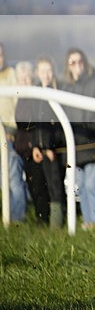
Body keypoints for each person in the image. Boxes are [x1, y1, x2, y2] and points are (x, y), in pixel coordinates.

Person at [61, 48, 95, 231]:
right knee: (81, 186)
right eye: (72, 62)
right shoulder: (66, 88)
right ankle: (86, 222)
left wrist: (89, 130)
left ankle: (94, 222)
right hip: (75, 146)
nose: (77, 66)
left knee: (91, 184)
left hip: (94, 144)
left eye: (80, 61)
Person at [15, 57, 66, 228]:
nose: (46, 74)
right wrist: (37, 146)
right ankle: (42, 224)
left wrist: (51, 146)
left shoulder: (59, 92)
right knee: (38, 187)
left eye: (49, 70)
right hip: (37, 148)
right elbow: (31, 125)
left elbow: (60, 125)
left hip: (54, 149)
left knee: (55, 187)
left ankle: (56, 225)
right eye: (42, 71)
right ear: (38, 73)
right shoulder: (32, 96)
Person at [0, 43, 28, 222]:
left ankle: (17, 218)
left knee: (13, 179)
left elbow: (18, 104)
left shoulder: (11, 75)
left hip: (8, 135)